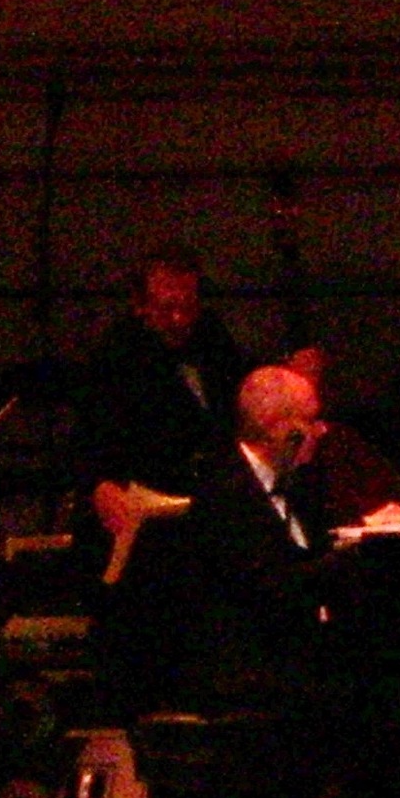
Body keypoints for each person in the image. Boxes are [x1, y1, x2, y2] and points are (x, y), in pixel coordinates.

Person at [170, 365, 338, 798]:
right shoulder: (223, 490)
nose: (319, 433)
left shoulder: (299, 488)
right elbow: (264, 587)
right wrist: (344, 565)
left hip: (283, 651)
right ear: (274, 428)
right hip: (241, 663)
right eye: (308, 423)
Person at [74, 248, 248, 719]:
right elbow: (90, 441)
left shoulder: (213, 343)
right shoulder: (115, 356)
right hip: (146, 523)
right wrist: (99, 484)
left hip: (204, 519)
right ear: (141, 306)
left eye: (187, 306)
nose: (178, 318)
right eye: (166, 307)